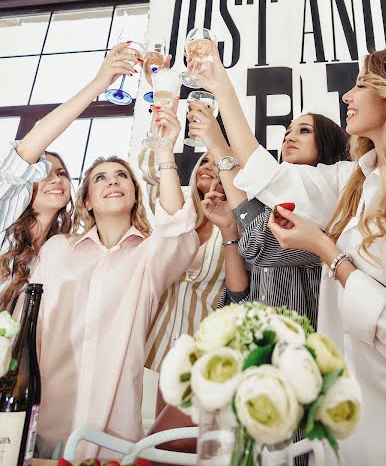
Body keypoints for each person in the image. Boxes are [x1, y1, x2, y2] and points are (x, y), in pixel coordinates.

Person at [187, 44, 386, 465]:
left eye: (361, 84)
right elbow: (267, 176)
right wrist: (220, 83)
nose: (347, 96)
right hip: (354, 431)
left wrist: (326, 251)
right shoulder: (355, 179)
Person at [25, 106, 199, 461]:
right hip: (43, 428)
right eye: (100, 178)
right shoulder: (57, 250)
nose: (113, 182)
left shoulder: (150, 257)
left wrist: (165, 150)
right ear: (86, 201)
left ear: (135, 195)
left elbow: (178, 227)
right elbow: (31, 332)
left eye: (122, 176)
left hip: (112, 437)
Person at [0, 41, 137, 312]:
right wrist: (99, 85)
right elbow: (26, 152)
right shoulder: (4, 223)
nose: (56, 179)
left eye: (62, 173)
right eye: (43, 174)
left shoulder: (66, 249)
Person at [189, 103, 349, 327]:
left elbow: (257, 246)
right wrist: (229, 229)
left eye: (304, 130)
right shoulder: (264, 205)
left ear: (328, 141)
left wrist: (218, 146)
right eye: (287, 133)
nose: (289, 137)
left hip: (303, 347)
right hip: (256, 340)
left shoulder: (332, 205)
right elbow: (240, 293)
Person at [138, 105, 246, 432]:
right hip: (154, 346)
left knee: (181, 439)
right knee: (150, 433)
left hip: (205, 347)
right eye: (206, 161)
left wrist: (226, 226)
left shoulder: (240, 223)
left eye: (219, 163)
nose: (210, 167)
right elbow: (150, 170)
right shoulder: (178, 209)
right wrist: (162, 112)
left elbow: (238, 288)